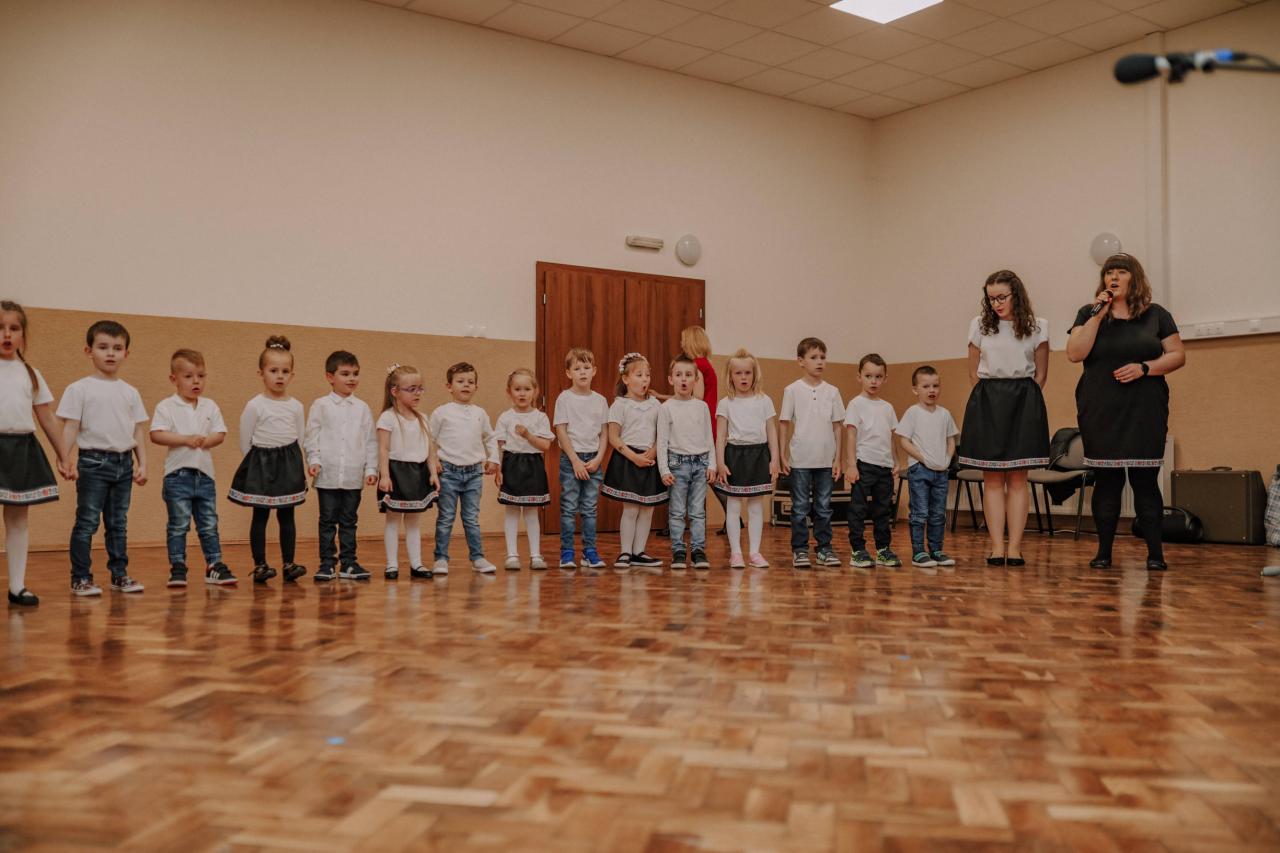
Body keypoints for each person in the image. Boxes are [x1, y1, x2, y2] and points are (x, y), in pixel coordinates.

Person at [1067, 253, 1185, 571]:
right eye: (1109, 273)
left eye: (1121, 272)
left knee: (1145, 482)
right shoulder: (1089, 313)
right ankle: (1103, 552)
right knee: (1107, 482)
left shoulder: (1156, 315)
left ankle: (1155, 554)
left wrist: (1145, 368)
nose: (1113, 277)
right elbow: (1075, 353)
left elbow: (1177, 355)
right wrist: (1098, 314)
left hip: (1145, 409)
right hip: (1100, 409)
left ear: (1135, 278)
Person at [960, 270, 1050, 567]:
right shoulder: (979, 325)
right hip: (988, 400)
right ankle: (997, 547)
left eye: (1001, 297)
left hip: (1024, 401)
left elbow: (1041, 375)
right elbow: (973, 373)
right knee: (993, 479)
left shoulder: (1038, 326)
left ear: (1017, 295)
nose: (996, 304)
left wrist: (1023, 400)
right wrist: (990, 401)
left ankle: (1015, 548)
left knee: (1018, 479)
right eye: (991, 299)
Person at [59, 319, 149, 596]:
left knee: (118, 523)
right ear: (89, 351)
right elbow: (71, 426)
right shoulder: (79, 389)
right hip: (92, 463)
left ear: (126, 353)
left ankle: (119, 575)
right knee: (87, 522)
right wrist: (64, 457)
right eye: (103, 347)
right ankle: (80, 578)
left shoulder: (130, 392)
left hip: (124, 463)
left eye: (117, 348)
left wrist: (143, 463)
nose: (111, 353)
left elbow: (137, 430)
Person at [0, 301, 74, 606]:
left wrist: (64, 455)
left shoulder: (30, 374)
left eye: (14, 328)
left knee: (18, 519)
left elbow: (47, 418)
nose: (6, 334)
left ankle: (17, 586)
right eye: (0, 328)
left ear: (23, 335)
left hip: (20, 450)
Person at [149, 348, 234, 588]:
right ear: (174, 379)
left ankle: (214, 565)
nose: (196, 381)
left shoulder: (210, 406)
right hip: (177, 477)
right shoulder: (167, 406)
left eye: (200, 376)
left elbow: (220, 433)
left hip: (204, 476)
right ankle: (178, 566)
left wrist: (207, 441)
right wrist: (185, 439)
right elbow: (156, 434)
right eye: (188, 376)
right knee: (178, 524)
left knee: (209, 524)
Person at [229, 336, 308, 584]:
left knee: (287, 515)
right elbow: (245, 441)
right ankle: (260, 565)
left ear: (292, 375)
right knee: (260, 515)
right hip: (261, 464)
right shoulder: (255, 405)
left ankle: (289, 563)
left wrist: (295, 463)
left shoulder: (296, 406)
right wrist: (257, 465)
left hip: (288, 463)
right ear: (261, 373)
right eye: (273, 371)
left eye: (285, 371)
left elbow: (301, 437)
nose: (279, 376)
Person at [306, 350, 378, 582]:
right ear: (330, 377)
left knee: (349, 521)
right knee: (327, 521)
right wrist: (314, 460)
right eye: (345, 374)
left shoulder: (362, 408)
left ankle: (349, 563)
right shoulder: (321, 405)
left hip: (353, 476)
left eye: (355, 374)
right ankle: (327, 563)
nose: (351, 378)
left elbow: (370, 441)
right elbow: (311, 436)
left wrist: (370, 469)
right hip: (327, 474)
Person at [779, 337, 844, 570]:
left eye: (823, 357)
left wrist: (838, 458)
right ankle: (800, 550)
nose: (819, 362)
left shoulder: (833, 392)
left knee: (824, 507)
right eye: (814, 357)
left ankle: (824, 548)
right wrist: (782, 455)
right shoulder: (792, 390)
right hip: (800, 461)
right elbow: (784, 423)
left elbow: (838, 426)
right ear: (801, 361)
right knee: (799, 508)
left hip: (826, 461)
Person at [429, 362, 499, 574]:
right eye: (460, 381)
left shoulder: (480, 413)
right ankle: (441, 558)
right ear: (449, 386)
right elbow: (429, 440)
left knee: (471, 519)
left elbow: (490, 437)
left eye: (470, 382)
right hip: (448, 473)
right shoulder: (441, 412)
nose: (466, 385)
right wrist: (434, 462)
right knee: (446, 518)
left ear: (476, 387)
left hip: (474, 474)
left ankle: (478, 557)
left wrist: (493, 458)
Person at [714, 349, 778, 570]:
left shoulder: (764, 400)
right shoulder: (725, 403)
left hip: (759, 455)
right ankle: (736, 553)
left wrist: (774, 459)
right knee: (733, 506)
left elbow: (771, 432)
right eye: (738, 373)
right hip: (734, 455)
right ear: (730, 376)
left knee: (756, 507)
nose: (743, 377)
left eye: (747, 373)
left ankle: (754, 552)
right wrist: (720, 462)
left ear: (754, 374)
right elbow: (720, 436)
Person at [601, 353, 666, 570]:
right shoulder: (620, 405)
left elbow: (662, 434)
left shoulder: (656, 405)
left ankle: (639, 552)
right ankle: (625, 552)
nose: (645, 379)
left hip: (650, 459)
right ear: (626, 379)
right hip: (628, 459)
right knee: (630, 509)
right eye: (639, 375)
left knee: (647, 509)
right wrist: (634, 457)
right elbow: (614, 437)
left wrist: (653, 452)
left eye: (647, 375)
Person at [376, 363, 438, 580]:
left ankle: (416, 564)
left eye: (420, 388)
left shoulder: (423, 418)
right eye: (411, 389)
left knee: (413, 521)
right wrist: (385, 475)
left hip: (417, 473)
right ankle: (391, 565)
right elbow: (383, 449)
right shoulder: (388, 418)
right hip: (396, 473)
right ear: (395, 391)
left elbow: (429, 450)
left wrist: (433, 472)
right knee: (393, 519)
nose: (417, 393)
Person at [896, 365, 959, 568]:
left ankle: (936, 550)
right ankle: (918, 552)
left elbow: (951, 440)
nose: (932, 390)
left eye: (935, 386)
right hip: (920, 470)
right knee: (920, 512)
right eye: (926, 386)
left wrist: (947, 459)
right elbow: (904, 441)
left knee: (938, 514)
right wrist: (922, 458)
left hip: (941, 472)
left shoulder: (945, 414)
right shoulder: (913, 413)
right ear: (915, 389)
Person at [658, 354, 716, 569]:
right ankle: (679, 551)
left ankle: (698, 550)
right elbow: (662, 441)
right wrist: (664, 469)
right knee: (677, 511)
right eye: (679, 375)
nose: (683, 379)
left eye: (688, 375)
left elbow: (709, 438)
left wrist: (712, 465)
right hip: (677, 464)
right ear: (671, 379)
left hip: (701, 464)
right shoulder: (666, 408)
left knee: (697, 511)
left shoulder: (701, 407)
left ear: (695, 380)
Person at [553, 348, 609, 570]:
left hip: (593, 460)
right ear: (569, 373)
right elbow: (561, 430)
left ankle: (589, 552)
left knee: (589, 508)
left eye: (586, 367)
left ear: (594, 371)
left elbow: (604, 433)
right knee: (568, 508)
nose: (582, 372)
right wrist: (575, 460)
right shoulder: (564, 399)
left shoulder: (600, 400)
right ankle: (567, 553)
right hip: (571, 460)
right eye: (577, 368)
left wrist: (598, 458)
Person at [494, 368, 554, 571]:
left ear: (535, 391)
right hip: (511, 464)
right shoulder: (505, 417)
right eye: (517, 389)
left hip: (533, 465)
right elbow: (499, 445)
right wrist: (498, 469)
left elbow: (545, 446)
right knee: (511, 511)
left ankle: (535, 555)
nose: (522, 393)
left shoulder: (540, 417)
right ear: (509, 392)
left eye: (527, 389)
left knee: (531, 512)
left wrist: (528, 435)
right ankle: (512, 555)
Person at [844, 354, 901, 569]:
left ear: (885, 378)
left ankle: (883, 550)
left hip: (885, 467)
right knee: (858, 509)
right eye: (868, 376)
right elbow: (851, 436)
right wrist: (851, 465)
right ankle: (858, 550)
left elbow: (891, 437)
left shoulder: (887, 407)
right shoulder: (855, 404)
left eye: (878, 376)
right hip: (863, 464)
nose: (873, 381)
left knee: (882, 510)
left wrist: (896, 461)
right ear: (859, 377)